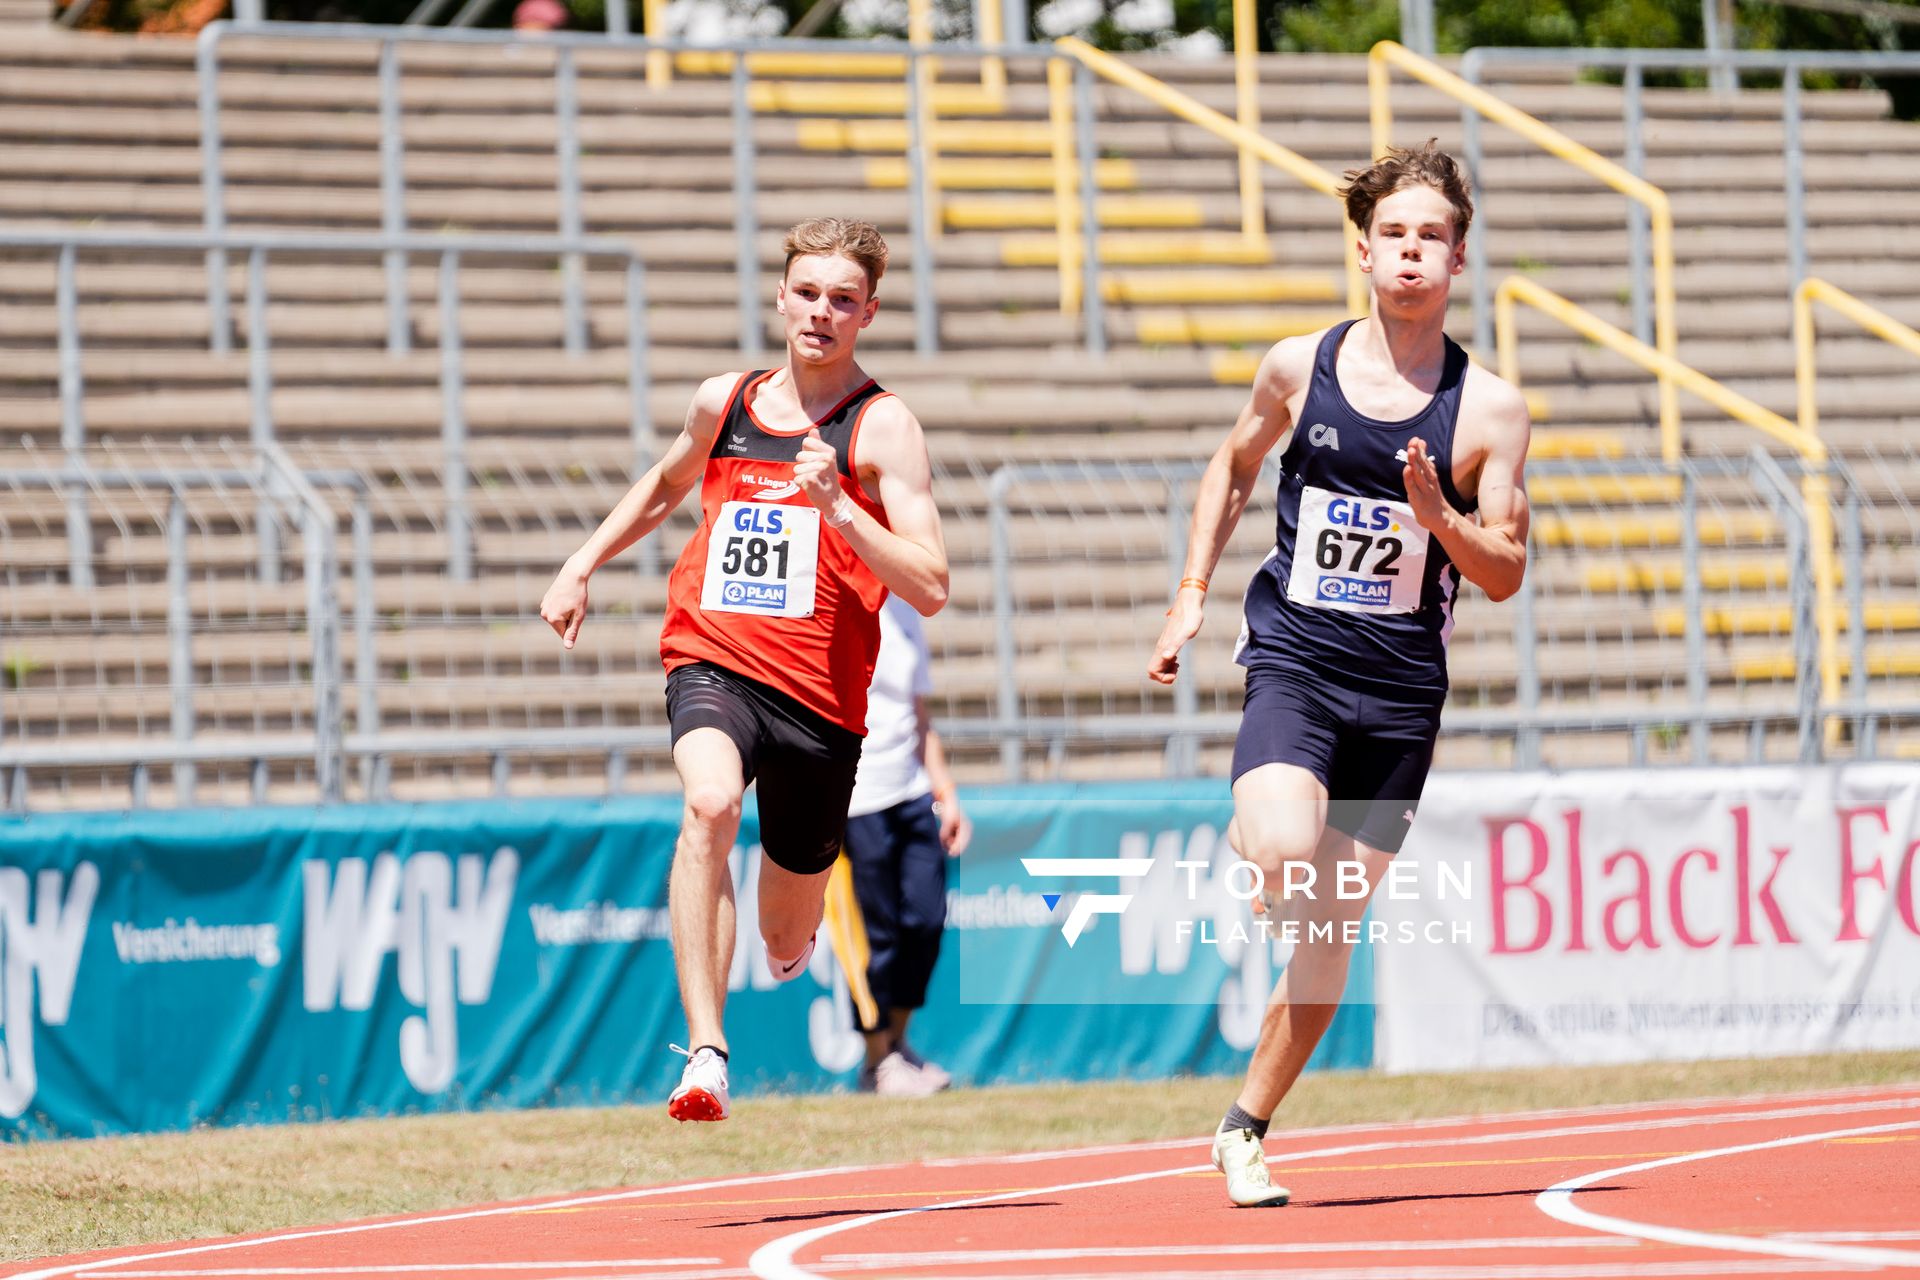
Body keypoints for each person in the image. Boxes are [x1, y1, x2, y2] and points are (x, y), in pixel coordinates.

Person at [1148, 142, 1532, 1207]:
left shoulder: (1490, 409)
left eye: (1433, 237)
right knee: (1279, 849)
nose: (1412, 254)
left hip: (1402, 690)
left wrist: (1439, 519)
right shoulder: (1296, 365)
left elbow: (1502, 572)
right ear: (1364, 250)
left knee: (1326, 925)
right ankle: (1258, 830)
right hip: (1298, 659)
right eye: (1394, 236)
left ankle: (1244, 1125)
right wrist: (1191, 587)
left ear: (1460, 256)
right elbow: (1232, 466)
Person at [539, 217, 949, 1124]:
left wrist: (841, 508)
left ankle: (787, 940)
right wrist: (583, 562)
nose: (821, 313)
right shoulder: (724, 402)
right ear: (780, 297)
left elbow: (931, 583)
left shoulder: (883, 427)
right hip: (713, 657)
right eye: (808, 292)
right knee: (711, 803)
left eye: (843, 299)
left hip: (822, 702)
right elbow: (663, 484)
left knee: (785, 929)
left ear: (868, 313)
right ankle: (707, 1053)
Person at [842, 592, 970, 1096]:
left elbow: (919, 713)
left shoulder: (904, 607)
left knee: (926, 921)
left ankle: (897, 1045)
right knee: (877, 936)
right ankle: (879, 1058)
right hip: (856, 797)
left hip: (913, 791)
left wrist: (946, 791)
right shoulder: (832, 598)